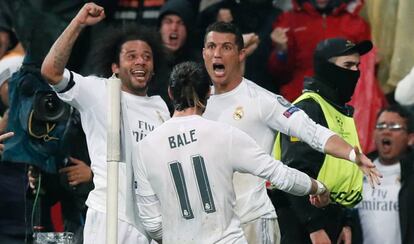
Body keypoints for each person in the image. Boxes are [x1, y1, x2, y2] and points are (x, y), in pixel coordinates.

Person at [202, 21, 380, 244]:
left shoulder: (265, 101)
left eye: (226, 47)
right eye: (211, 46)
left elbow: (313, 132)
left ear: (241, 54)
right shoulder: (193, 106)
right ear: (203, 53)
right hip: (208, 223)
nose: (217, 53)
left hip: (252, 221)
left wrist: (352, 155)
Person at [133, 61, 331, 243]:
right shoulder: (224, 135)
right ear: (208, 93)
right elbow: (280, 175)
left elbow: (152, 224)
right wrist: (317, 187)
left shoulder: (145, 148)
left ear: (170, 92)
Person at [41, 3, 170, 244]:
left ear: (154, 68)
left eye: (147, 57)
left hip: (150, 224)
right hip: (109, 214)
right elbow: (51, 71)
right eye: (131, 56)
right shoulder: (97, 91)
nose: (140, 61)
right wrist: (78, 22)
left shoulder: (160, 107)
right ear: (115, 67)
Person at [273, 37, 375, 244]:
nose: (355, 72)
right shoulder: (307, 108)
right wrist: (315, 228)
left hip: (331, 216)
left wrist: (344, 221)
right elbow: (295, 173)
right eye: (348, 65)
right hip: (302, 223)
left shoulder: (339, 109)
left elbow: (344, 172)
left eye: (357, 66)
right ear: (326, 68)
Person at [268, 0, 371, 102]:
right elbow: (279, 74)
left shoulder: (356, 23)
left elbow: (366, 76)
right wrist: (281, 51)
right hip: (299, 100)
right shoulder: (289, 20)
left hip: (343, 102)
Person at [352, 105, 414, 244]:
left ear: (410, 138)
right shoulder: (358, 170)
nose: (386, 131)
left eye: (394, 127)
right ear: (374, 134)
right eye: (381, 126)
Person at [149, 0, 202, 113]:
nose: (174, 28)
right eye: (168, 22)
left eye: (180, 23)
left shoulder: (199, 65)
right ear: (160, 27)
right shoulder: (148, 61)